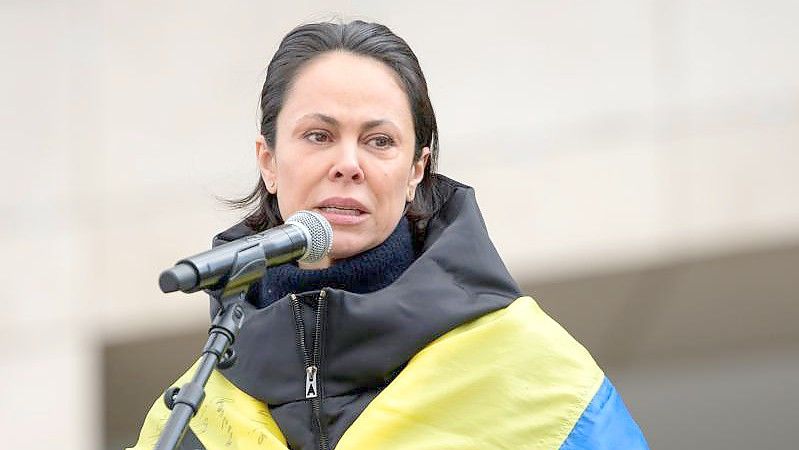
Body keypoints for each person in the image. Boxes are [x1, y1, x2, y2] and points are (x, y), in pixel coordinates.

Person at [130, 20, 649, 450]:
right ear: (268, 162)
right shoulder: (186, 416)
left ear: (416, 170)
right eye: (319, 136)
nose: (348, 164)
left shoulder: (539, 375)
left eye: (379, 141)